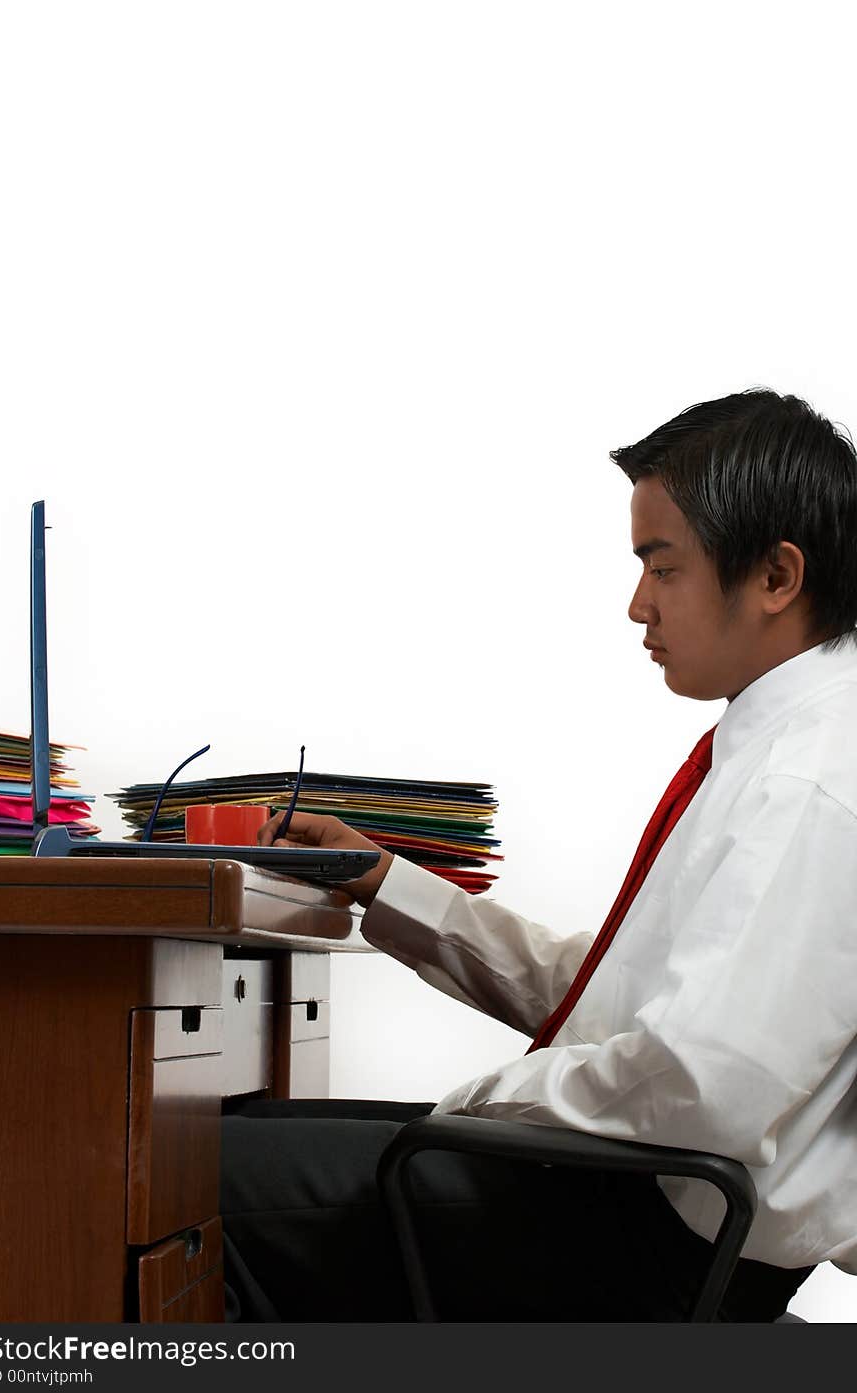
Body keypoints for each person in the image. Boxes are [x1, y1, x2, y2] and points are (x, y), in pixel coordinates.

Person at [221, 387, 857, 1322]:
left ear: (775, 576)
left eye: (662, 566)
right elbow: (615, 1005)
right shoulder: (782, 739)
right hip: (632, 1202)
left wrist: (479, 1100)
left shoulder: (812, 775)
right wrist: (386, 883)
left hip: (637, 1245)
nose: (636, 603)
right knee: (235, 1134)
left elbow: (704, 1083)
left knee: (181, 1175)